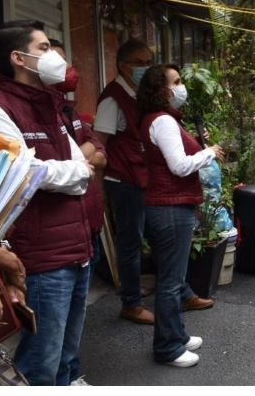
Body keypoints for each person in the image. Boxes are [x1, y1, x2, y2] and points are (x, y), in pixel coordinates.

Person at [0, 20, 93, 385]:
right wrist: (71, 173)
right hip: (41, 257)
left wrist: (66, 173)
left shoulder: (52, 105)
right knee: (41, 361)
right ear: (19, 58)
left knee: (66, 355)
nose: (54, 55)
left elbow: (82, 169)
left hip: (78, 246)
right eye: (43, 48)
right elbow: (25, 175)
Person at [95, 39, 213, 325]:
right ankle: (132, 303)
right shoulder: (113, 98)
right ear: (123, 65)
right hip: (124, 180)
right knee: (131, 242)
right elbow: (99, 144)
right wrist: (97, 190)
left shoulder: (142, 97)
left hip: (148, 179)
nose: (146, 67)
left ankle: (182, 291)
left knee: (163, 240)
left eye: (150, 61)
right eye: (140, 62)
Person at [137, 64, 224, 367]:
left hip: (171, 206)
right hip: (169, 208)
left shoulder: (165, 119)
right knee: (172, 282)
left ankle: (177, 335)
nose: (181, 86)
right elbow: (180, 166)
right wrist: (209, 151)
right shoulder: (162, 121)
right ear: (160, 90)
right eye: (175, 82)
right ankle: (168, 347)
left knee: (174, 278)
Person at [50, 40, 107, 284]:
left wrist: (76, 158)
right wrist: (82, 156)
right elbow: (50, 164)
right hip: (60, 237)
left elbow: (101, 152)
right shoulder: (34, 114)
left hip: (89, 225)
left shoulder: (68, 110)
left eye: (65, 60)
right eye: (56, 60)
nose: (66, 67)